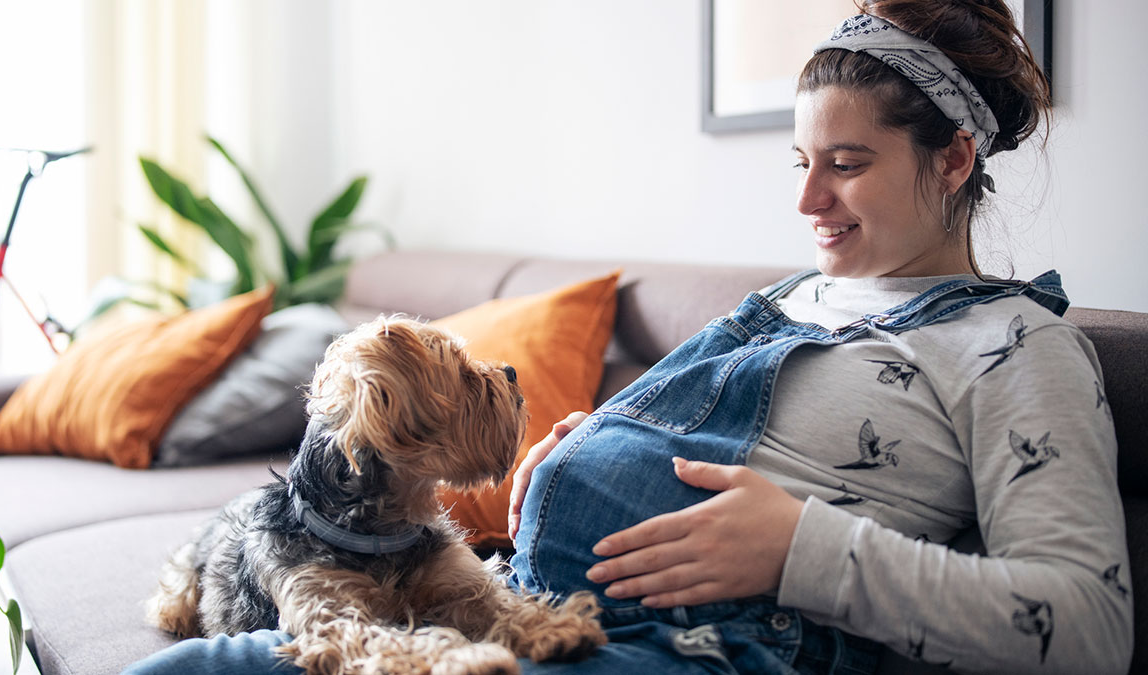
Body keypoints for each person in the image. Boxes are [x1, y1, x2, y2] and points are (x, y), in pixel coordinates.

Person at [125, 1, 1132, 673]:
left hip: (681, 650)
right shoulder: (788, 302)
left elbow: (1090, 626)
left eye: (848, 163)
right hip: (511, 610)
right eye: (799, 161)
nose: (809, 200)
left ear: (954, 158)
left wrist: (801, 549)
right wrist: (571, 457)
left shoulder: (1016, 349)